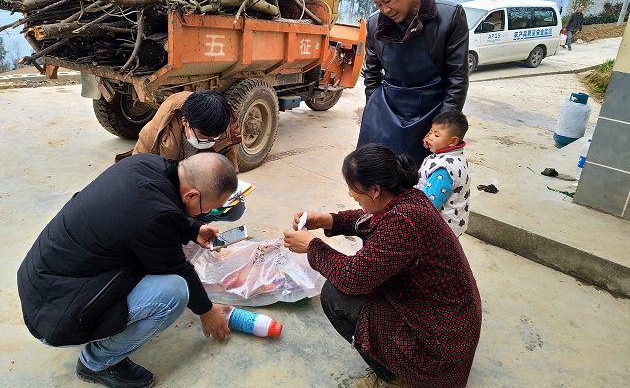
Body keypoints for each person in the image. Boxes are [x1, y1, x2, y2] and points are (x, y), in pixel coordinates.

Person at [17, 153, 238, 388]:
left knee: (153, 264)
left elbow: (158, 213)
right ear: (192, 195)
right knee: (175, 292)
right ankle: (97, 361)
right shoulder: (156, 214)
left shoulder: (144, 164)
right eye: (208, 208)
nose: (204, 215)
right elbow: (177, 267)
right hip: (56, 316)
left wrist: (192, 230)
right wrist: (207, 310)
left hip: (41, 285)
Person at [283, 144, 482, 388]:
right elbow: (367, 219)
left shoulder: (405, 222)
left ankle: (397, 379)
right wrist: (328, 220)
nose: (349, 193)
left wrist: (312, 247)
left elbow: (353, 278)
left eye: (353, 188)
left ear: (375, 190)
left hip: (439, 347)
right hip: (441, 319)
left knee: (336, 296)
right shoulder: (407, 200)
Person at [358, 0, 469, 167]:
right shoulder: (375, 23)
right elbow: (372, 75)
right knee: (373, 177)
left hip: (430, 113)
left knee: (418, 183)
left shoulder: (450, 16)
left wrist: (442, 129)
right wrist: (374, 114)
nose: (385, 10)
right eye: (378, 4)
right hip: (386, 110)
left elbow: (457, 79)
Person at [117, 89, 245, 223]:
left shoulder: (221, 125)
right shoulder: (157, 132)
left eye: (216, 137)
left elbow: (227, 170)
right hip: (167, 191)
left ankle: (193, 222)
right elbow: (136, 174)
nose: (211, 141)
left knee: (235, 208)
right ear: (185, 122)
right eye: (204, 138)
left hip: (196, 191)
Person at [416, 111, 471, 237]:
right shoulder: (457, 156)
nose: (430, 137)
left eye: (436, 135)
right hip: (453, 225)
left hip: (439, 231)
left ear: (452, 141)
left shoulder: (443, 169)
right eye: (430, 132)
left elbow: (428, 205)